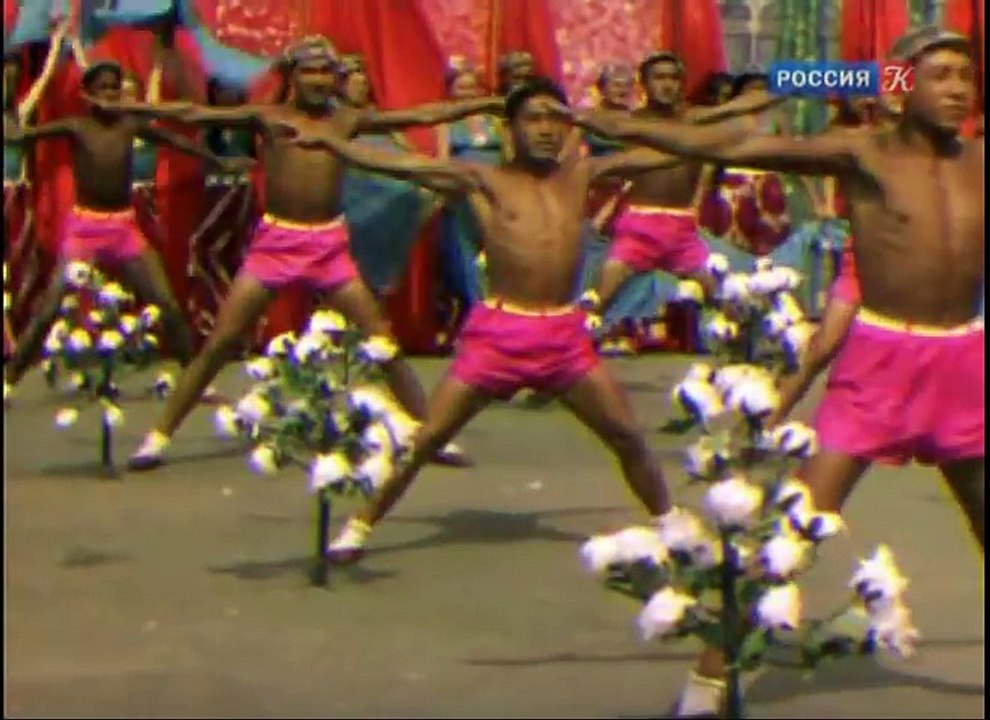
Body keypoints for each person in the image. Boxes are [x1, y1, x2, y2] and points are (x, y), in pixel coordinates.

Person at [574, 26, 984, 717]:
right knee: (796, 525)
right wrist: (608, 125)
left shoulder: (979, 160)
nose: (958, 90)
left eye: (966, 77)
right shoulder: (863, 152)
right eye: (940, 75)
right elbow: (737, 144)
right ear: (902, 84)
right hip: (881, 364)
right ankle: (709, 676)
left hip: (963, 365)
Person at [286, 76, 744, 562]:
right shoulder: (486, 181)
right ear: (511, 129)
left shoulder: (583, 174)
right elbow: (403, 163)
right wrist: (333, 144)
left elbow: (682, 149)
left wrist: (598, 122)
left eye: (556, 119)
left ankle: (668, 520)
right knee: (427, 440)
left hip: (565, 337)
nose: (546, 130)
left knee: (626, 435)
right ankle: (360, 526)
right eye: (534, 119)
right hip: (498, 336)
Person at [125, 39, 505, 472]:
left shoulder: (344, 119)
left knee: (381, 339)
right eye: (310, 71)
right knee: (221, 342)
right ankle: (158, 436)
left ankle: (431, 434)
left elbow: (419, 116)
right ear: (292, 76)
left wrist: (488, 103)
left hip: (327, 246)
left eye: (326, 72)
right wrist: (129, 111)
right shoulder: (269, 118)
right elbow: (196, 114)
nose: (319, 80)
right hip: (275, 244)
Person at [3, 60, 241, 401]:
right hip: (84, 228)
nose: (110, 95)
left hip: (123, 228)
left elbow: (175, 140)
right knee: (49, 308)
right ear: (87, 95)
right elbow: (20, 135)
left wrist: (220, 161)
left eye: (115, 87)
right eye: (102, 89)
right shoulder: (77, 126)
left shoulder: (130, 126)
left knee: (166, 303)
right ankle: (9, 379)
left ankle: (193, 380)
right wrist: (11, 104)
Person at [582, 52, 778, 324]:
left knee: (722, 298)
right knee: (598, 300)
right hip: (639, 227)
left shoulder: (695, 118)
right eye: (659, 77)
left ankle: (747, 350)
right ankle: (565, 350)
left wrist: (793, 83)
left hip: (682, 230)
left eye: (673, 78)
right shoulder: (632, 122)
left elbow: (745, 104)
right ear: (644, 84)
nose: (667, 84)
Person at [4, 21, 69, 352]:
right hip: (8, 195)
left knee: (22, 265)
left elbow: (32, 101)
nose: (8, 76)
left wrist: (56, 50)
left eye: (12, 69)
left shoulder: (17, 112)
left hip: (18, 194)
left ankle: (21, 339)